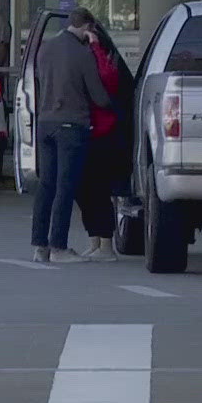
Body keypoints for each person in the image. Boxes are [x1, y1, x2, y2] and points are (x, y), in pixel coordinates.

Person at [29, 8, 112, 263]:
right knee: (66, 187)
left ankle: (39, 246)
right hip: (71, 126)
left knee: (46, 186)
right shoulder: (83, 53)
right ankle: (59, 247)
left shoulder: (44, 48)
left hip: (45, 123)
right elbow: (99, 96)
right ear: (87, 28)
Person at [74, 14, 134, 259]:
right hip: (86, 127)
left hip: (104, 130)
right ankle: (95, 239)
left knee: (98, 189)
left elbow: (107, 79)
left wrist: (95, 45)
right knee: (84, 189)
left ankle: (105, 242)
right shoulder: (76, 51)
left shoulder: (103, 54)